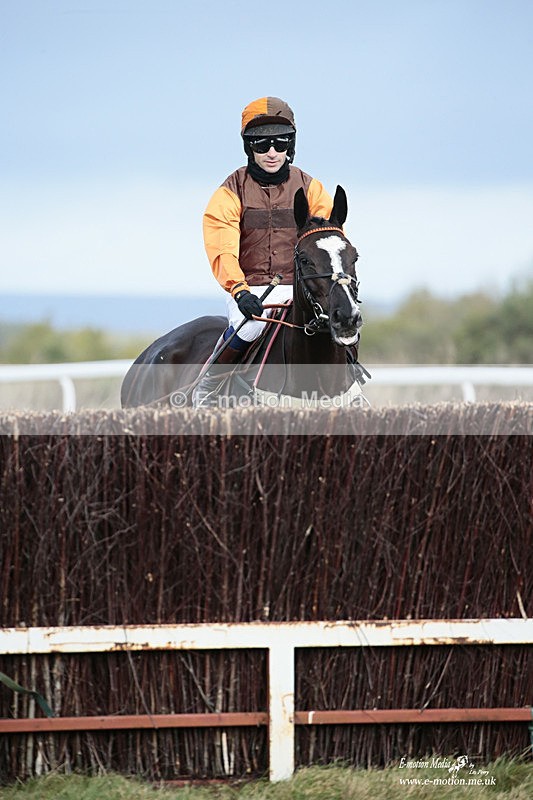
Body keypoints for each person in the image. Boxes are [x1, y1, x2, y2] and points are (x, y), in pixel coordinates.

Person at [193, 96, 334, 406]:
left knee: (336, 323)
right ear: (249, 147)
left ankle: (349, 393)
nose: (272, 152)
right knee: (252, 326)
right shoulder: (229, 191)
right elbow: (223, 249)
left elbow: (327, 245)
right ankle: (209, 389)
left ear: (290, 145)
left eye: (280, 143)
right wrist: (240, 291)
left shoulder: (312, 189)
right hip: (252, 289)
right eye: (262, 144)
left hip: (301, 288)